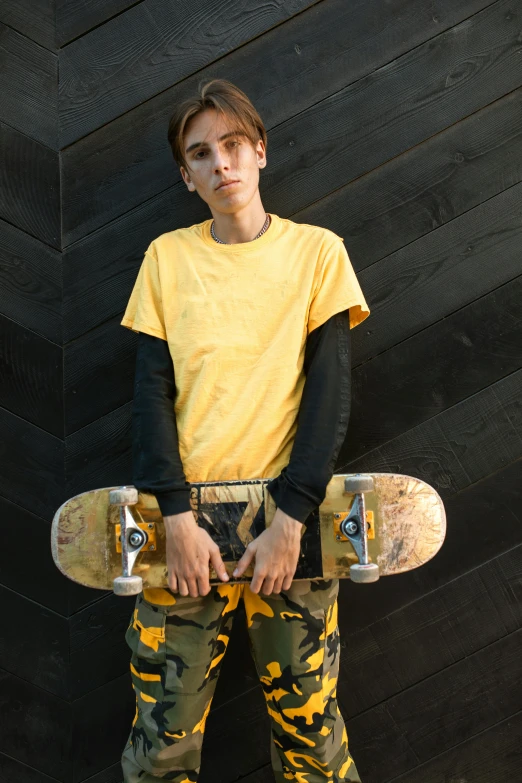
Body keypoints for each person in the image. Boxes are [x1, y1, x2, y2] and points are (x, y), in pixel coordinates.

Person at [119, 78, 370, 782]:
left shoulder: (318, 253)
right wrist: (173, 514)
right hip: (184, 531)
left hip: (289, 526)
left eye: (232, 145)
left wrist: (291, 516)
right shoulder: (166, 259)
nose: (221, 164)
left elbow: (329, 393)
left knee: (311, 740)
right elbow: (149, 394)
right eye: (202, 154)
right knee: (161, 748)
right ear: (186, 175)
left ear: (259, 151)